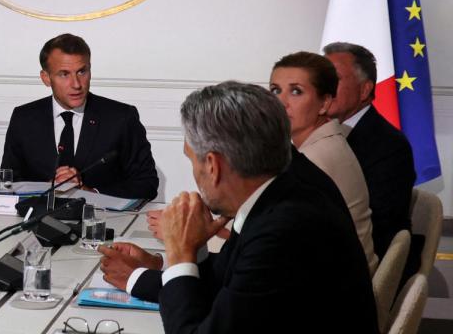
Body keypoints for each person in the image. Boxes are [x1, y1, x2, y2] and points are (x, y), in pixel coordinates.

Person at [100, 82, 376, 333]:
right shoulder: (284, 186)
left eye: (192, 161)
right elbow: (233, 281)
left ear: (213, 165)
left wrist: (179, 251)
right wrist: (177, 257)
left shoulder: (285, 229)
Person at [0, 34, 157, 199]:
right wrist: (45, 190)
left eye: (82, 72)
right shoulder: (24, 118)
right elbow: (8, 184)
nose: (76, 84)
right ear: (46, 78)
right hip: (37, 221)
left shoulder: (121, 118)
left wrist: (92, 194)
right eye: (64, 74)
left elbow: (147, 183)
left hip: (103, 221)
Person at [269, 51, 377, 272]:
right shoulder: (324, 142)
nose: (281, 102)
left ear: (324, 103)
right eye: (275, 90)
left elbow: (281, 237)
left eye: (296, 91)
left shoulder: (315, 159)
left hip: (337, 288)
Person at [324, 42, 415, 257]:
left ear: (365, 89)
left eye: (333, 79)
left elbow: (377, 226)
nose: (323, 87)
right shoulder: (316, 135)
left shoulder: (390, 146)